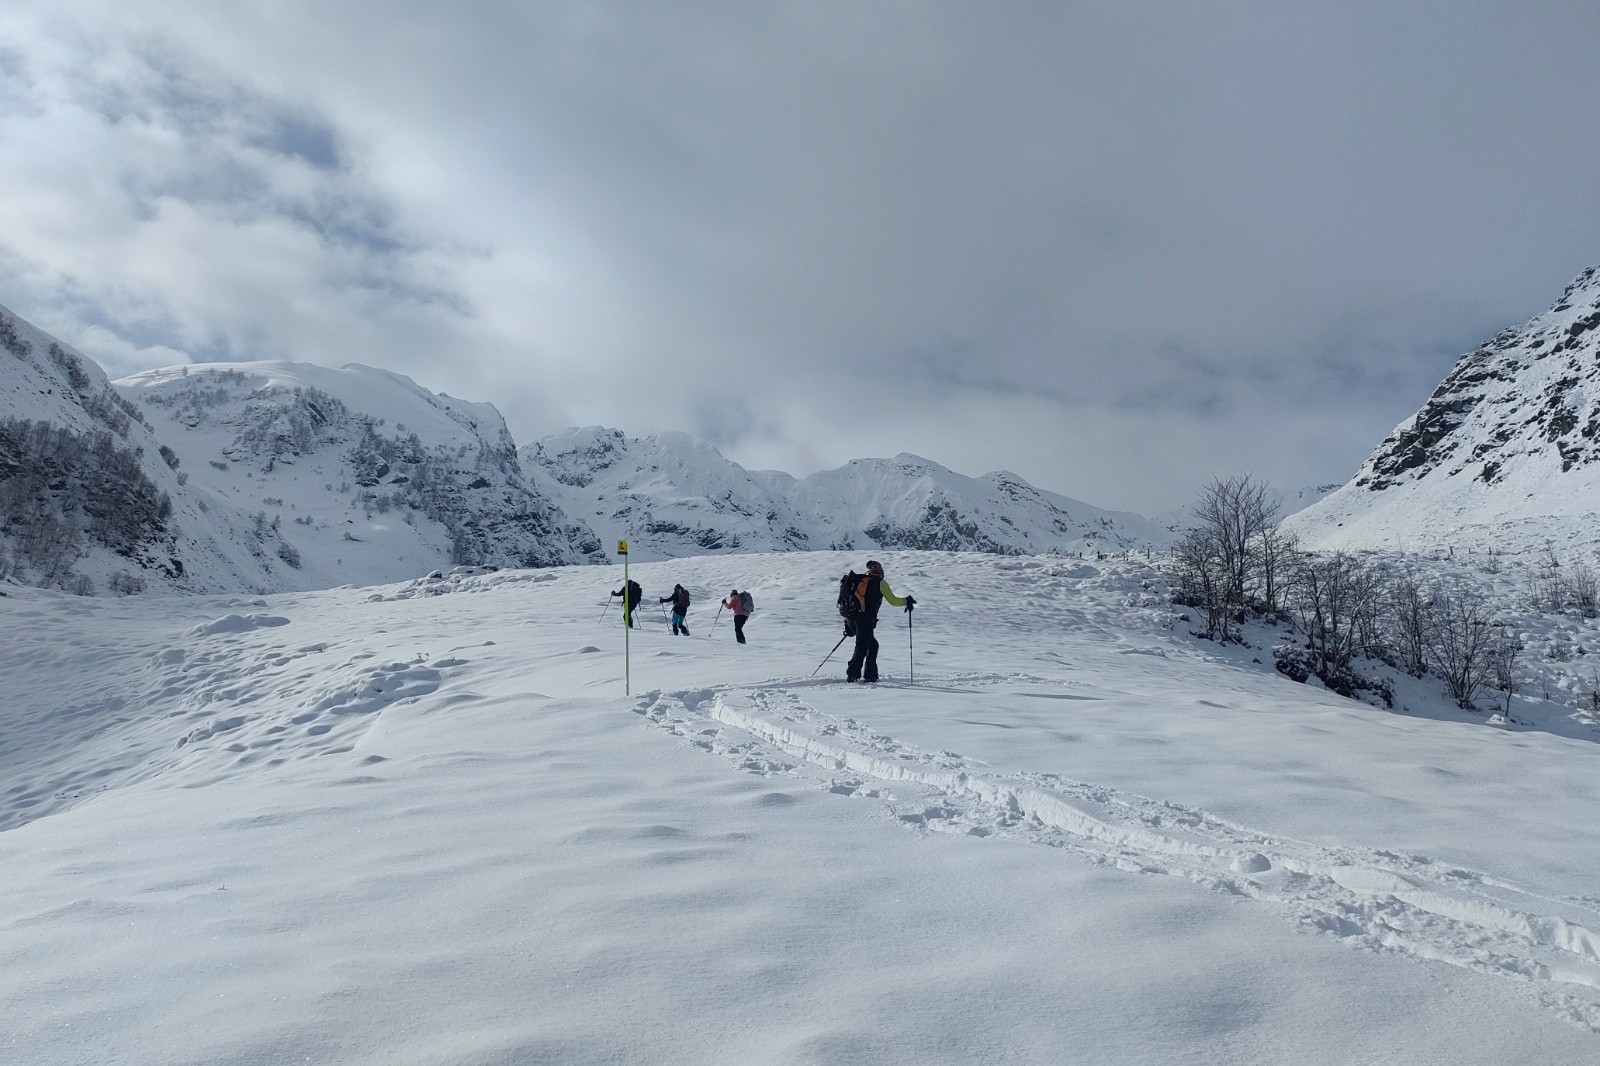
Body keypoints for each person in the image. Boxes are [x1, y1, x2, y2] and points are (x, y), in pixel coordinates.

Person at [845, 560, 914, 683]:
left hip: (851, 618)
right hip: (865, 621)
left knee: (872, 645)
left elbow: (850, 600)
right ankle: (854, 675)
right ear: (881, 572)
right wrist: (906, 601)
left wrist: (847, 625)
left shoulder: (861, 581)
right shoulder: (880, 583)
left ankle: (868, 675)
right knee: (862, 646)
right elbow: (893, 601)